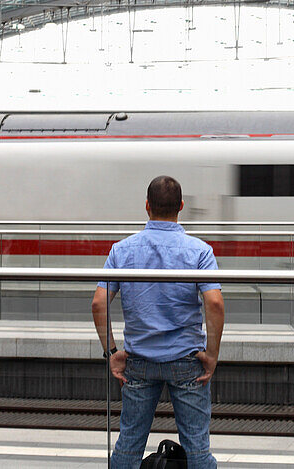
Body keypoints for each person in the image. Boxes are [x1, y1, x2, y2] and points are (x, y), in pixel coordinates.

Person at [92, 176, 224, 469]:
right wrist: (212, 355)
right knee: (197, 449)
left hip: (138, 360)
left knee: (128, 444)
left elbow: (99, 303)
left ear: (147, 207)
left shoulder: (122, 250)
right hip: (186, 360)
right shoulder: (199, 251)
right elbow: (214, 303)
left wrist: (112, 353)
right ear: (181, 207)